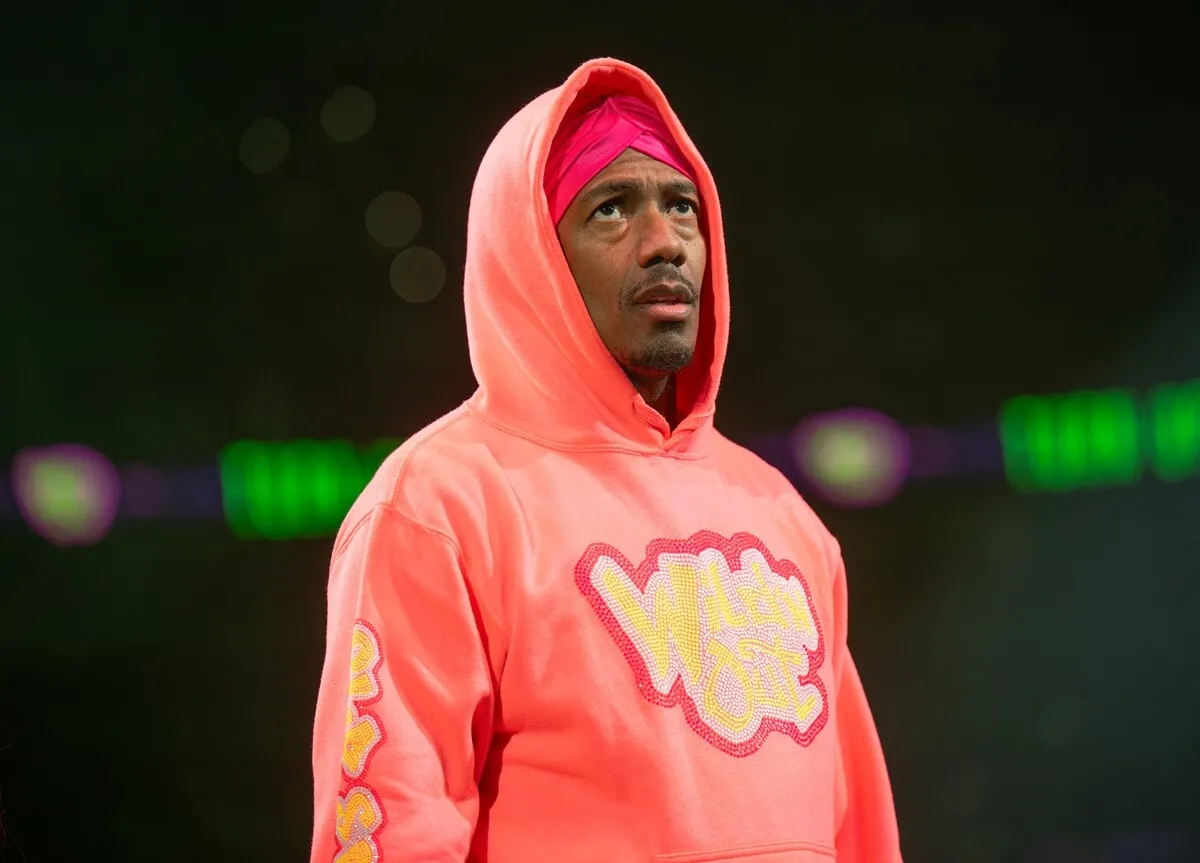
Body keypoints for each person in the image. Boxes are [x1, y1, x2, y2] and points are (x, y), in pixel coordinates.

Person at [309, 57, 903, 862]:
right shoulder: (437, 505)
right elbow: (392, 827)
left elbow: (857, 832)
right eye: (613, 208)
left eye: (684, 207)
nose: (666, 243)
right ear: (531, 257)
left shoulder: (782, 516)